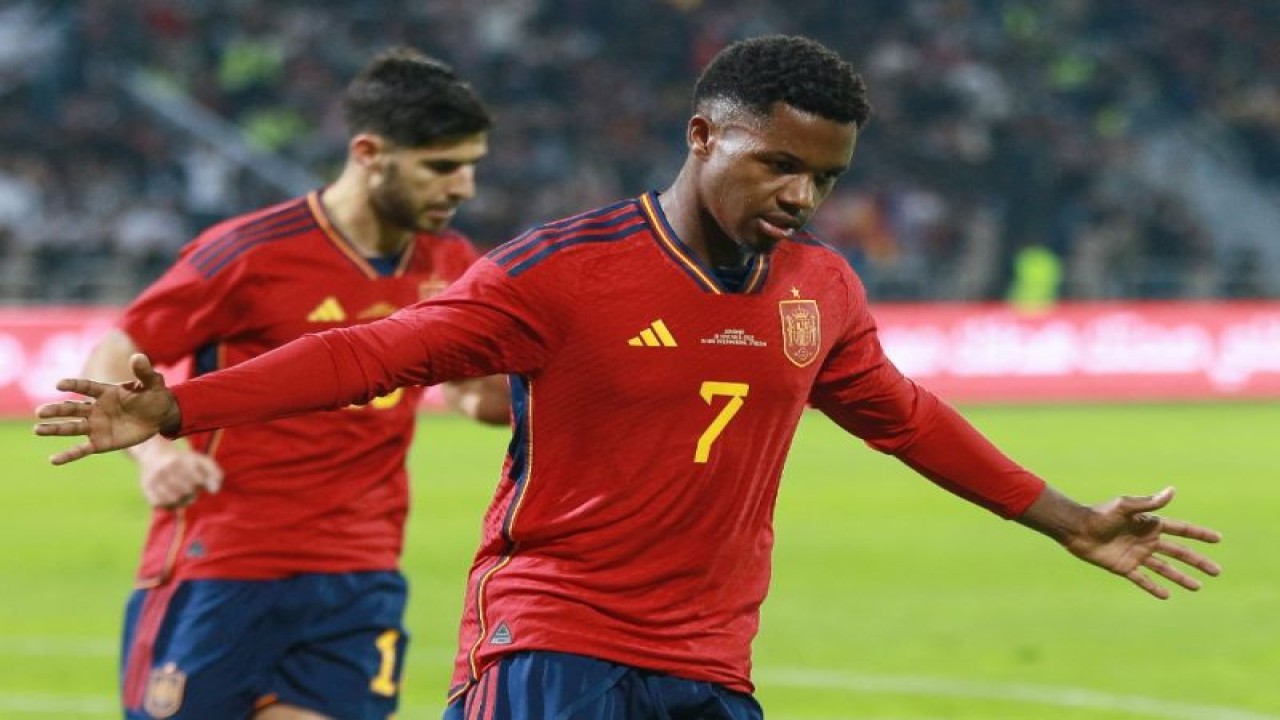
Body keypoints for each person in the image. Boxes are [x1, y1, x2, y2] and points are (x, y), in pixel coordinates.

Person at [36, 36, 1221, 720]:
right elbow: (372, 354)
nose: (799, 194)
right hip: (551, 640)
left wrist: (1066, 520)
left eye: (823, 173)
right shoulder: (559, 271)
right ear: (704, 137)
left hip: (710, 659)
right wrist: (178, 406)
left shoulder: (820, 289)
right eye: (775, 163)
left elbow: (902, 418)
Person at [63, 47, 508, 720]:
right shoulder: (249, 252)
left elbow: (475, 392)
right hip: (224, 559)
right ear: (369, 152)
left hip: (359, 570)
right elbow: (122, 347)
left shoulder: (452, 264)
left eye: (471, 166)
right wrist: (155, 456)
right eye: (441, 167)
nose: (463, 187)